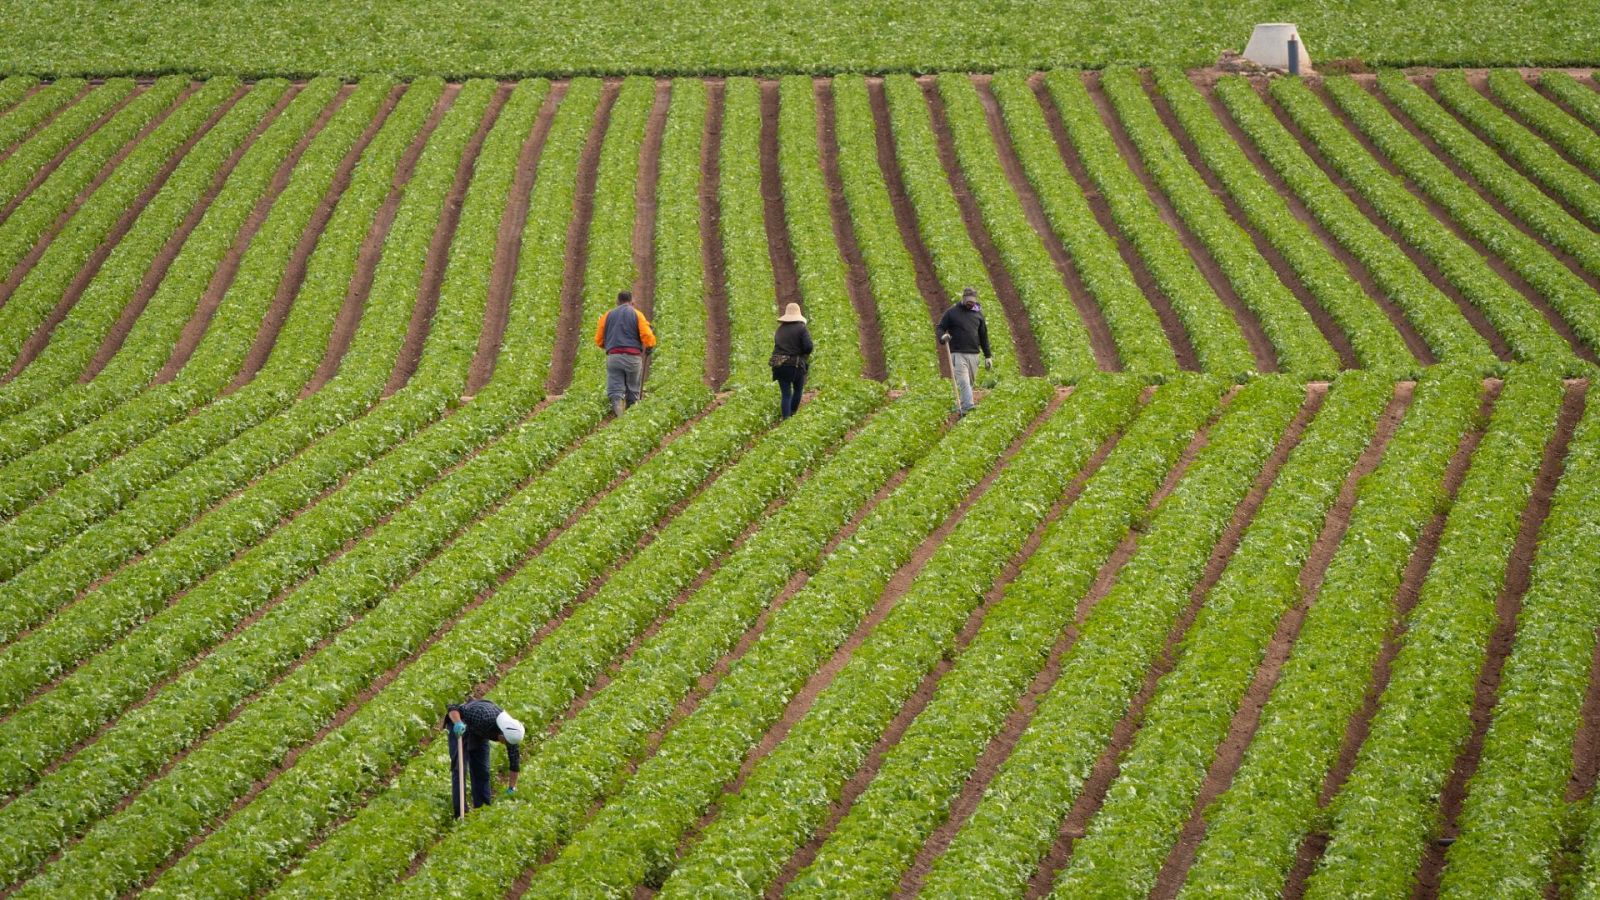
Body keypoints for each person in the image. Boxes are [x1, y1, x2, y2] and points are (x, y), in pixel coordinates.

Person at [443, 698, 525, 816]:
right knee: (459, 769)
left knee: (482, 771)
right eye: (504, 741)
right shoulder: (482, 715)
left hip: (479, 731)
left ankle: (482, 811)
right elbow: (453, 708)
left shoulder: (512, 734)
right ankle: (460, 814)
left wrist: (512, 787)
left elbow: (514, 762)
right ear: (501, 733)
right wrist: (457, 723)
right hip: (461, 724)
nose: (503, 743)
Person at [594, 290, 656, 417]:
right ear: (632, 301)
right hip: (633, 358)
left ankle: (619, 413)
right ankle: (630, 416)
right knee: (633, 389)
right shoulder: (637, 314)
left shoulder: (607, 315)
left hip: (614, 357)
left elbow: (599, 339)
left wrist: (610, 346)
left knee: (615, 389)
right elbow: (646, 334)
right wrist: (649, 346)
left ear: (617, 301)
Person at [936, 287, 994, 415]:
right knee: (963, 381)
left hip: (974, 354)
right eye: (968, 300)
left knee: (970, 383)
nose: (970, 303)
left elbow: (983, 336)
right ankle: (968, 407)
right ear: (963, 298)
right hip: (958, 353)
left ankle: (962, 406)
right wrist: (942, 337)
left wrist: (988, 356)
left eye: (972, 301)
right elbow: (940, 327)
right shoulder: (952, 313)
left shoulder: (978, 314)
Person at [770, 302, 814, 419]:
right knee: (798, 389)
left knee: (786, 394)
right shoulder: (801, 328)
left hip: (779, 364)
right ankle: (792, 412)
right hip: (794, 365)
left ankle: (786, 419)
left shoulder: (779, 330)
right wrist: (803, 354)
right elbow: (808, 347)